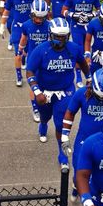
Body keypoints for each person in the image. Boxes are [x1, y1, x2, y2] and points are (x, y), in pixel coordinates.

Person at [26, 18, 90, 165]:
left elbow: (82, 63)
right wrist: (36, 91)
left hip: (65, 91)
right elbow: (29, 71)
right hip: (44, 91)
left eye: (64, 36)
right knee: (45, 116)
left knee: (61, 124)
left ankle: (62, 153)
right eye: (58, 36)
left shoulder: (74, 48)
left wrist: (89, 78)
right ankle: (43, 124)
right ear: (50, 34)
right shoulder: (41, 50)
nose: (61, 39)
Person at [61, 68, 103, 202]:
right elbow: (70, 113)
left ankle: (92, 193)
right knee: (79, 166)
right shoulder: (81, 94)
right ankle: (76, 183)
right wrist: (65, 136)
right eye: (100, 95)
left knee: (99, 169)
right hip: (84, 139)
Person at [62, 0, 100, 86]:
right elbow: (63, 10)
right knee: (78, 51)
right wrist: (73, 15)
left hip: (89, 26)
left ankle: (91, 74)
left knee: (89, 51)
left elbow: (99, 10)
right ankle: (78, 76)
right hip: (76, 27)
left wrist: (93, 14)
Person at [0, 0, 38, 87]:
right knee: (18, 52)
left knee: (28, 49)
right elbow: (6, 12)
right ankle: (19, 76)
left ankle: (24, 59)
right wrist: (2, 24)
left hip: (30, 26)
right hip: (17, 26)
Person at [19, 0, 50, 121]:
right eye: (37, 17)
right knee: (34, 85)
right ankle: (35, 108)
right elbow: (24, 38)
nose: (38, 20)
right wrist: (20, 50)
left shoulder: (49, 25)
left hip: (47, 59)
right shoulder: (26, 25)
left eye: (41, 17)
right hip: (32, 59)